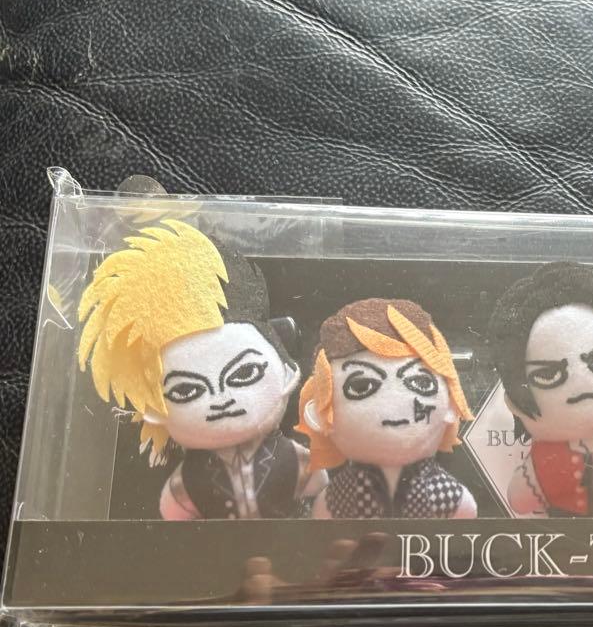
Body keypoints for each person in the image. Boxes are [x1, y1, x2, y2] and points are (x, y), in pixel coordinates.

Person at [78, 219, 324, 519]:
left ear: (285, 371)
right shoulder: (190, 478)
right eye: (186, 390)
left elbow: (318, 487)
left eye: (244, 374)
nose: (220, 398)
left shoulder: (290, 457)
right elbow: (173, 511)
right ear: (152, 407)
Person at [488, 262, 593, 516]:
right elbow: (521, 499)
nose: (581, 381)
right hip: (559, 528)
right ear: (515, 398)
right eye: (548, 375)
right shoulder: (542, 466)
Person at [297, 298, 477, 519]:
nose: (395, 402)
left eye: (420, 382)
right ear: (319, 413)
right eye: (362, 386)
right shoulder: (337, 499)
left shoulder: (448, 496)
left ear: (451, 404)